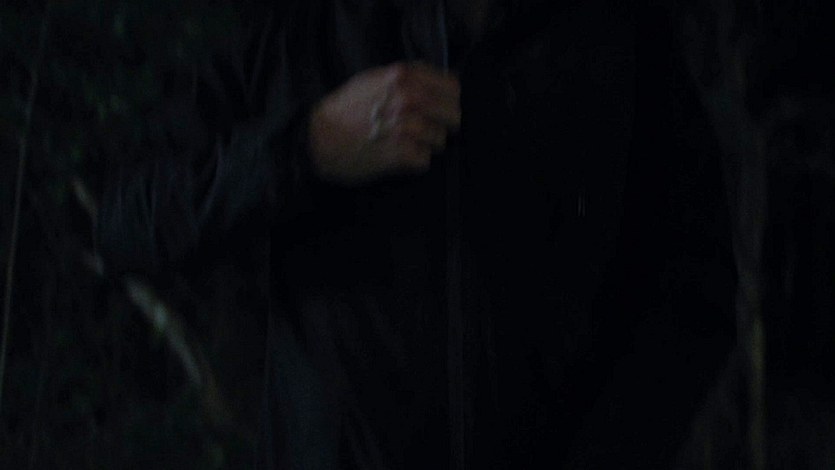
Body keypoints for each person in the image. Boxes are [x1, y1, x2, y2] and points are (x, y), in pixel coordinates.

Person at [98, 1, 736, 468]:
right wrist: (310, 145)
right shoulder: (295, 29)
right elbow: (128, 217)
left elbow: (692, 288)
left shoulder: (615, 35)